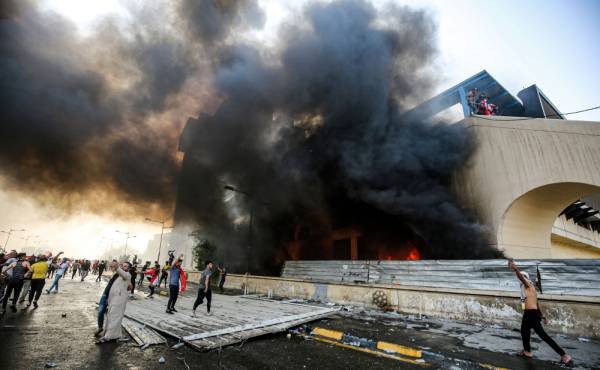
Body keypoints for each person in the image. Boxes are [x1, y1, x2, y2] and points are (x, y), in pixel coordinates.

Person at [509, 260, 572, 364]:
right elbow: (536, 303)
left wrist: (515, 269)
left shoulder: (528, 284)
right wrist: (542, 316)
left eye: (523, 277)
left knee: (543, 335)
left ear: (526, 278)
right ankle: (527, 351)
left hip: (532, 315)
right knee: (524, 331)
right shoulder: (528, 290)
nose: (520, 279)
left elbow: (521, 278)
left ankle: (564, 355)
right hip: (529, 314)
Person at [96, 261, 132, 343]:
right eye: (122, 266)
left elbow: (122, 273)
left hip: (119, 300)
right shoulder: (118, 275)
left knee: (114, 317)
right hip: (112, 300)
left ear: (129, 268)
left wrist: (117, 267)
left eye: (125, 266)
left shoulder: (127, 275)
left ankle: (108, 337)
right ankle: (117, 336)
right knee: (113, 317)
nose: (123, 267)